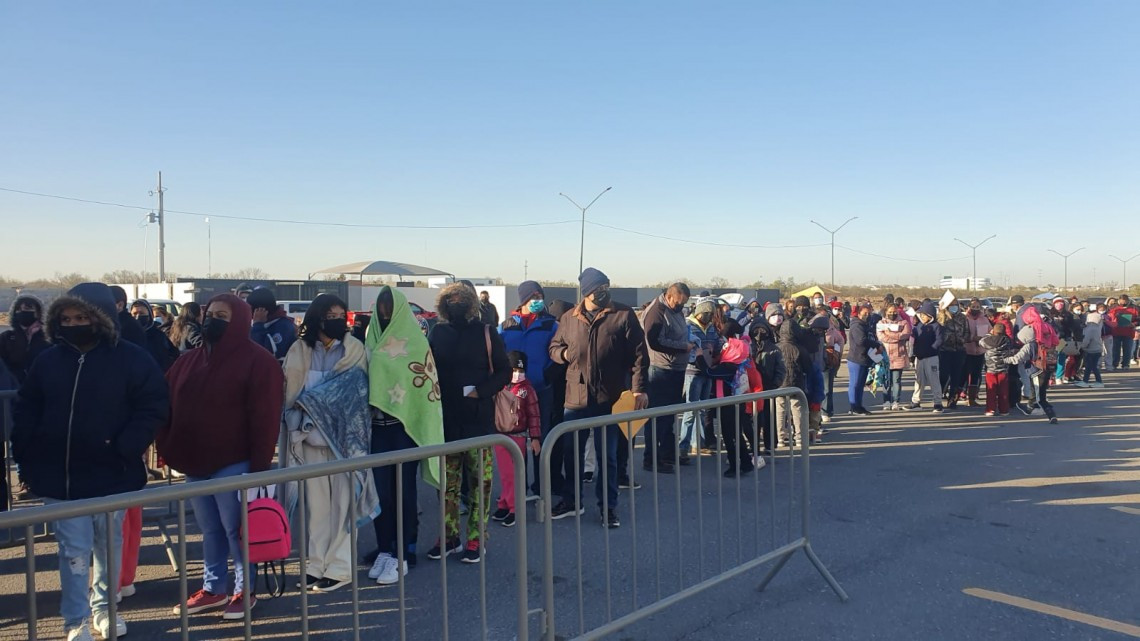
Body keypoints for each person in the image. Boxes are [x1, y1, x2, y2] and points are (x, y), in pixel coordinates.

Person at [12, 283, 168, 641]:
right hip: (60, 478)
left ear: (100, 318)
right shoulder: (47, 360)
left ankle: (105, 609)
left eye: (81, 317)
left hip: (112, 472)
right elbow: (27, 408)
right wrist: (29, 454)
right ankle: (75, 620)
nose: (73, 324)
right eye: (65, 318)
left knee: (108, 545)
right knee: (73, 551)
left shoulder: (132, 358)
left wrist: (123, 447)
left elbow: (153, 406)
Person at [158, 293, 284, 620]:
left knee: (237, 530)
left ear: (239, 319)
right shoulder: (188, 360)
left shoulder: (258, 361)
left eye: (223, 315)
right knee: (210, 529)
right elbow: (166, 402)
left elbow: (266, 417)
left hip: (235, 462)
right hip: (196, 462)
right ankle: (213, 588)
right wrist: (167, 445)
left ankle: (245, 589)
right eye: (210, 313)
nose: (213, 319)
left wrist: (258, 469)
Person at [282, 294, 378, 593]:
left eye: (341, 314)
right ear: (317, 318)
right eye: (331, 315)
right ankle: (314, 564)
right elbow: (289, 392)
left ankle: (340, 567)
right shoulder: (298, 350)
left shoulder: (355, 349)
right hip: (307, 439)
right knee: (317, 506)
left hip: (344, 441)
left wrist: (319, 403)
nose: (337, 319)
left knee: (343, 504)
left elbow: (356, 394)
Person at [547, 268, 648, 528]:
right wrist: (564, 355)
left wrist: (638, 389)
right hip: (576, 398)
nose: (604, 292)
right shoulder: (569, 317)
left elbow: (639, 356)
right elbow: (554, 347)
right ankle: (572, 500)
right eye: (599, 288)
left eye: (606, 286)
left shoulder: (623, 315)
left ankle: (608, 507)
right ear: (587, 292)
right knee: (572, 455)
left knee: (609, 457)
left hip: (610, 397)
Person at [364, 286, 445, 584]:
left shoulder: (415, 342)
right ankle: (385, 548)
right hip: (376, 429)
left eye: (389, 308)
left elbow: (423, 388)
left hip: (404, 430)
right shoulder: (370, 338)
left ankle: (406, 548)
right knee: (380, 493)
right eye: (381, 308)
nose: (385, 313)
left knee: (404, 492)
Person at [428, 283, 511, 561]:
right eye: (451, 299)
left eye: (462, 298)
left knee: (479, 485)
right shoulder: (437, 332)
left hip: (479, 422)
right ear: (443, 304)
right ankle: (449, 537)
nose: (456, 303)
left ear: (472, 303)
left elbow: (504, 372)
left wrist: (481, 391)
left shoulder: (486, 332)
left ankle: (476, 538)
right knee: (447, 486)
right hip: (447, 422)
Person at [499, 281, 560, 492]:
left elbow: (558, 353)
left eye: (539, 296)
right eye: (533, 297)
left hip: (541, 391)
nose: (537, 301)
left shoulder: (551, 325)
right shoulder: (506, 326)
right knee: (516, 442)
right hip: (513, 394)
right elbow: (498, 356)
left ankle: (541, 487)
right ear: (523, 300)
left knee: (539, 439)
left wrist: (545, 376)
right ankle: (518, 488)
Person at [638, 283, 691, 473]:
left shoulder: (675, 310)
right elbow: (654, 341)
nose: (681, 306)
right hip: (660, 369)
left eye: (684, 303)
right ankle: (651, 459)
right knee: (658, 417)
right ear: (669, 297)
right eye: (678, 302)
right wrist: (682, 347)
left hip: (675, 369)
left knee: (669, 416)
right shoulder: (657, 312)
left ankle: (667, 454)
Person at [491, 351, 542, 527]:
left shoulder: (527, 390)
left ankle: (515, 508)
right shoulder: (502, 387)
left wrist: (535, 438)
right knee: (505, 475)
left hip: (518, 437)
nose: (517, 373)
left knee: (515, 475)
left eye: (520, 370)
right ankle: (504, 503)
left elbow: (534, 415)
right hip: (501, 436)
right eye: (513, 369)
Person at [679, 299, 721, 461]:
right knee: (690, 411)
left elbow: (717, 344)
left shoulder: (710, 328)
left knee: (702, 410)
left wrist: (715, 348)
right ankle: (683, 447)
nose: (709, 317)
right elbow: (687, 347)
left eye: (711, 315)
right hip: (692, 372)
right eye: (707, 314)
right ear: (699, 312)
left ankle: (699, 444)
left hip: (708, 371)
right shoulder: (688, 326)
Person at [748, 317, 785, 457]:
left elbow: (781, 369)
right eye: (756, 330)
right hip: (752, 389)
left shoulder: (774, 349)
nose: (759, 333)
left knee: (770, 417)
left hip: (768, 388)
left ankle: (770, 444)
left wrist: (775, 383)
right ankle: (754, 445)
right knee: (754, 418)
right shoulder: (748, 346)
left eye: (762, 329)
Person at [775, 309, 810, 444]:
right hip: (796, 383)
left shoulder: (776, 347)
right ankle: (800, 437)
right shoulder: (799, 348)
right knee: (797, 409)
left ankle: (780, 438)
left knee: (780, 410)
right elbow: (807, 367)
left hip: (780, 383)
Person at [1, 294, 49, 384]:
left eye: (28, 308)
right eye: (18, 309)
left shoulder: (49, 338)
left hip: (41, 391)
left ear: (39, 313)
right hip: (12, 392)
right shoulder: (5, 338)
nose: (22, 311)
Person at [909, 302, 944, 413]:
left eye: (924, 315)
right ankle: (916, 402)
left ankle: (938, 403)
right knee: (919, 380)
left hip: (931, 357)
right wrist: (913, 353)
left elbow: (939, 341)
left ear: (930, 315)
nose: (922, 317)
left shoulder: (937, 327)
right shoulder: (918, 326)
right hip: (919, 358)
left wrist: (931, 349)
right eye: (921, 315)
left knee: (934, 380)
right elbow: (914, 340)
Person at [846, 303, 880, 415]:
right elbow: (861, 340)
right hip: (856, 358)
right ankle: (853, 406)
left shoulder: (866, 325)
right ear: (859, 313)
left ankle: (859, 405)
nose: (867, 315)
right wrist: (875, 344)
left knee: (860, 385)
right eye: (865, 313)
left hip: (865, 357)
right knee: (855, 384)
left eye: (869, 313)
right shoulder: (857, 325)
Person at [876, 305, 912, 411]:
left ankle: (896, 401)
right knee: (886, 381)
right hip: (885, 356)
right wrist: (896, 336)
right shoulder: (881, 323)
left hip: (898, 355)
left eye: (894, 311)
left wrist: (889, 333)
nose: (892, 314)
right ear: (886, 312)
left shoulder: (904, 323)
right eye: (890, 312)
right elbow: (881, 337)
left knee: (896, 380)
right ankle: (886, 401)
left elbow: (905, 335)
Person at [937, 297, 969, 410]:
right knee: (944, 374)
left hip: (959, 350)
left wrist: (963, 340)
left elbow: (966, 331)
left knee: (956, 376)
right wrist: (942, 311)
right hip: (945, 350)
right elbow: (938, 331)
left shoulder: (963, 317)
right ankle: (939, 396)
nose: (954, 307)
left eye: (956, 304)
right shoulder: (941, 317)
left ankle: (952, 400)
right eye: (951, 304)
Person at [129, 299, 180, 372]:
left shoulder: (158, 335)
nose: (138, 317)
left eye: (141, 313)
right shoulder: (127, 335)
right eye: (135, 313)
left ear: (149, 315)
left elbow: (172, 355)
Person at [247, 287, 296, 361]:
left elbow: (268, 353)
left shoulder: (284, 326)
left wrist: (258, 326)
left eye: (250, 308)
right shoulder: (263, 323)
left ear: (260, 309)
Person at [962, 298, 993, 407]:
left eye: (977, 307)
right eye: (973, 307)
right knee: (964, 374)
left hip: (980, 351)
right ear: (968, 307)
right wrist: (972, 337)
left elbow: (991, 331)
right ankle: (959, 395)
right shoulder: (965, 318)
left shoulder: (984, 319)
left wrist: (986, 337)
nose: (975, 309)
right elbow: (961, 333)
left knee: (976, 374)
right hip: (967, 350)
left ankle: (972, 398)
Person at [979, 324, 1012, 416]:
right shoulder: (1007, 340)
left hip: (990, 369)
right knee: (1003, 390)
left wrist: (989, 334)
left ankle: (990, 409)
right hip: (1003, 368)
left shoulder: (987, 340)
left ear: (993, 331)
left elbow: (980, 342)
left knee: (991, 390)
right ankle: (1004, 410)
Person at [1107, 294, 1139, 371]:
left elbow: (1138, 319)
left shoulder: (1134, 308)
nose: (1123, 302)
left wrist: (1134, 324)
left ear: (1127, 300)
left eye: (1125, 301)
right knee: (1115, 349)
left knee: (1128, 349)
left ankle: (1125, 364)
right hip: (1116, 332)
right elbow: (1108, 318)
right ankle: (1114, 364)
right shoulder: (1113, 307)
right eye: (1122, 301)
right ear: (1119, 300)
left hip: (1129, 332)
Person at [1075, 312, 1105, 388]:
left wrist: (1081, 347)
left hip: (1090, 350)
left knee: (1092, 367)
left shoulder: (1090, 328)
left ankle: (1098, 381)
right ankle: (1086, 381)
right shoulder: (1098, 327)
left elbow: (1087, 340)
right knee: (1090, 367)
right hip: (1097, 349)